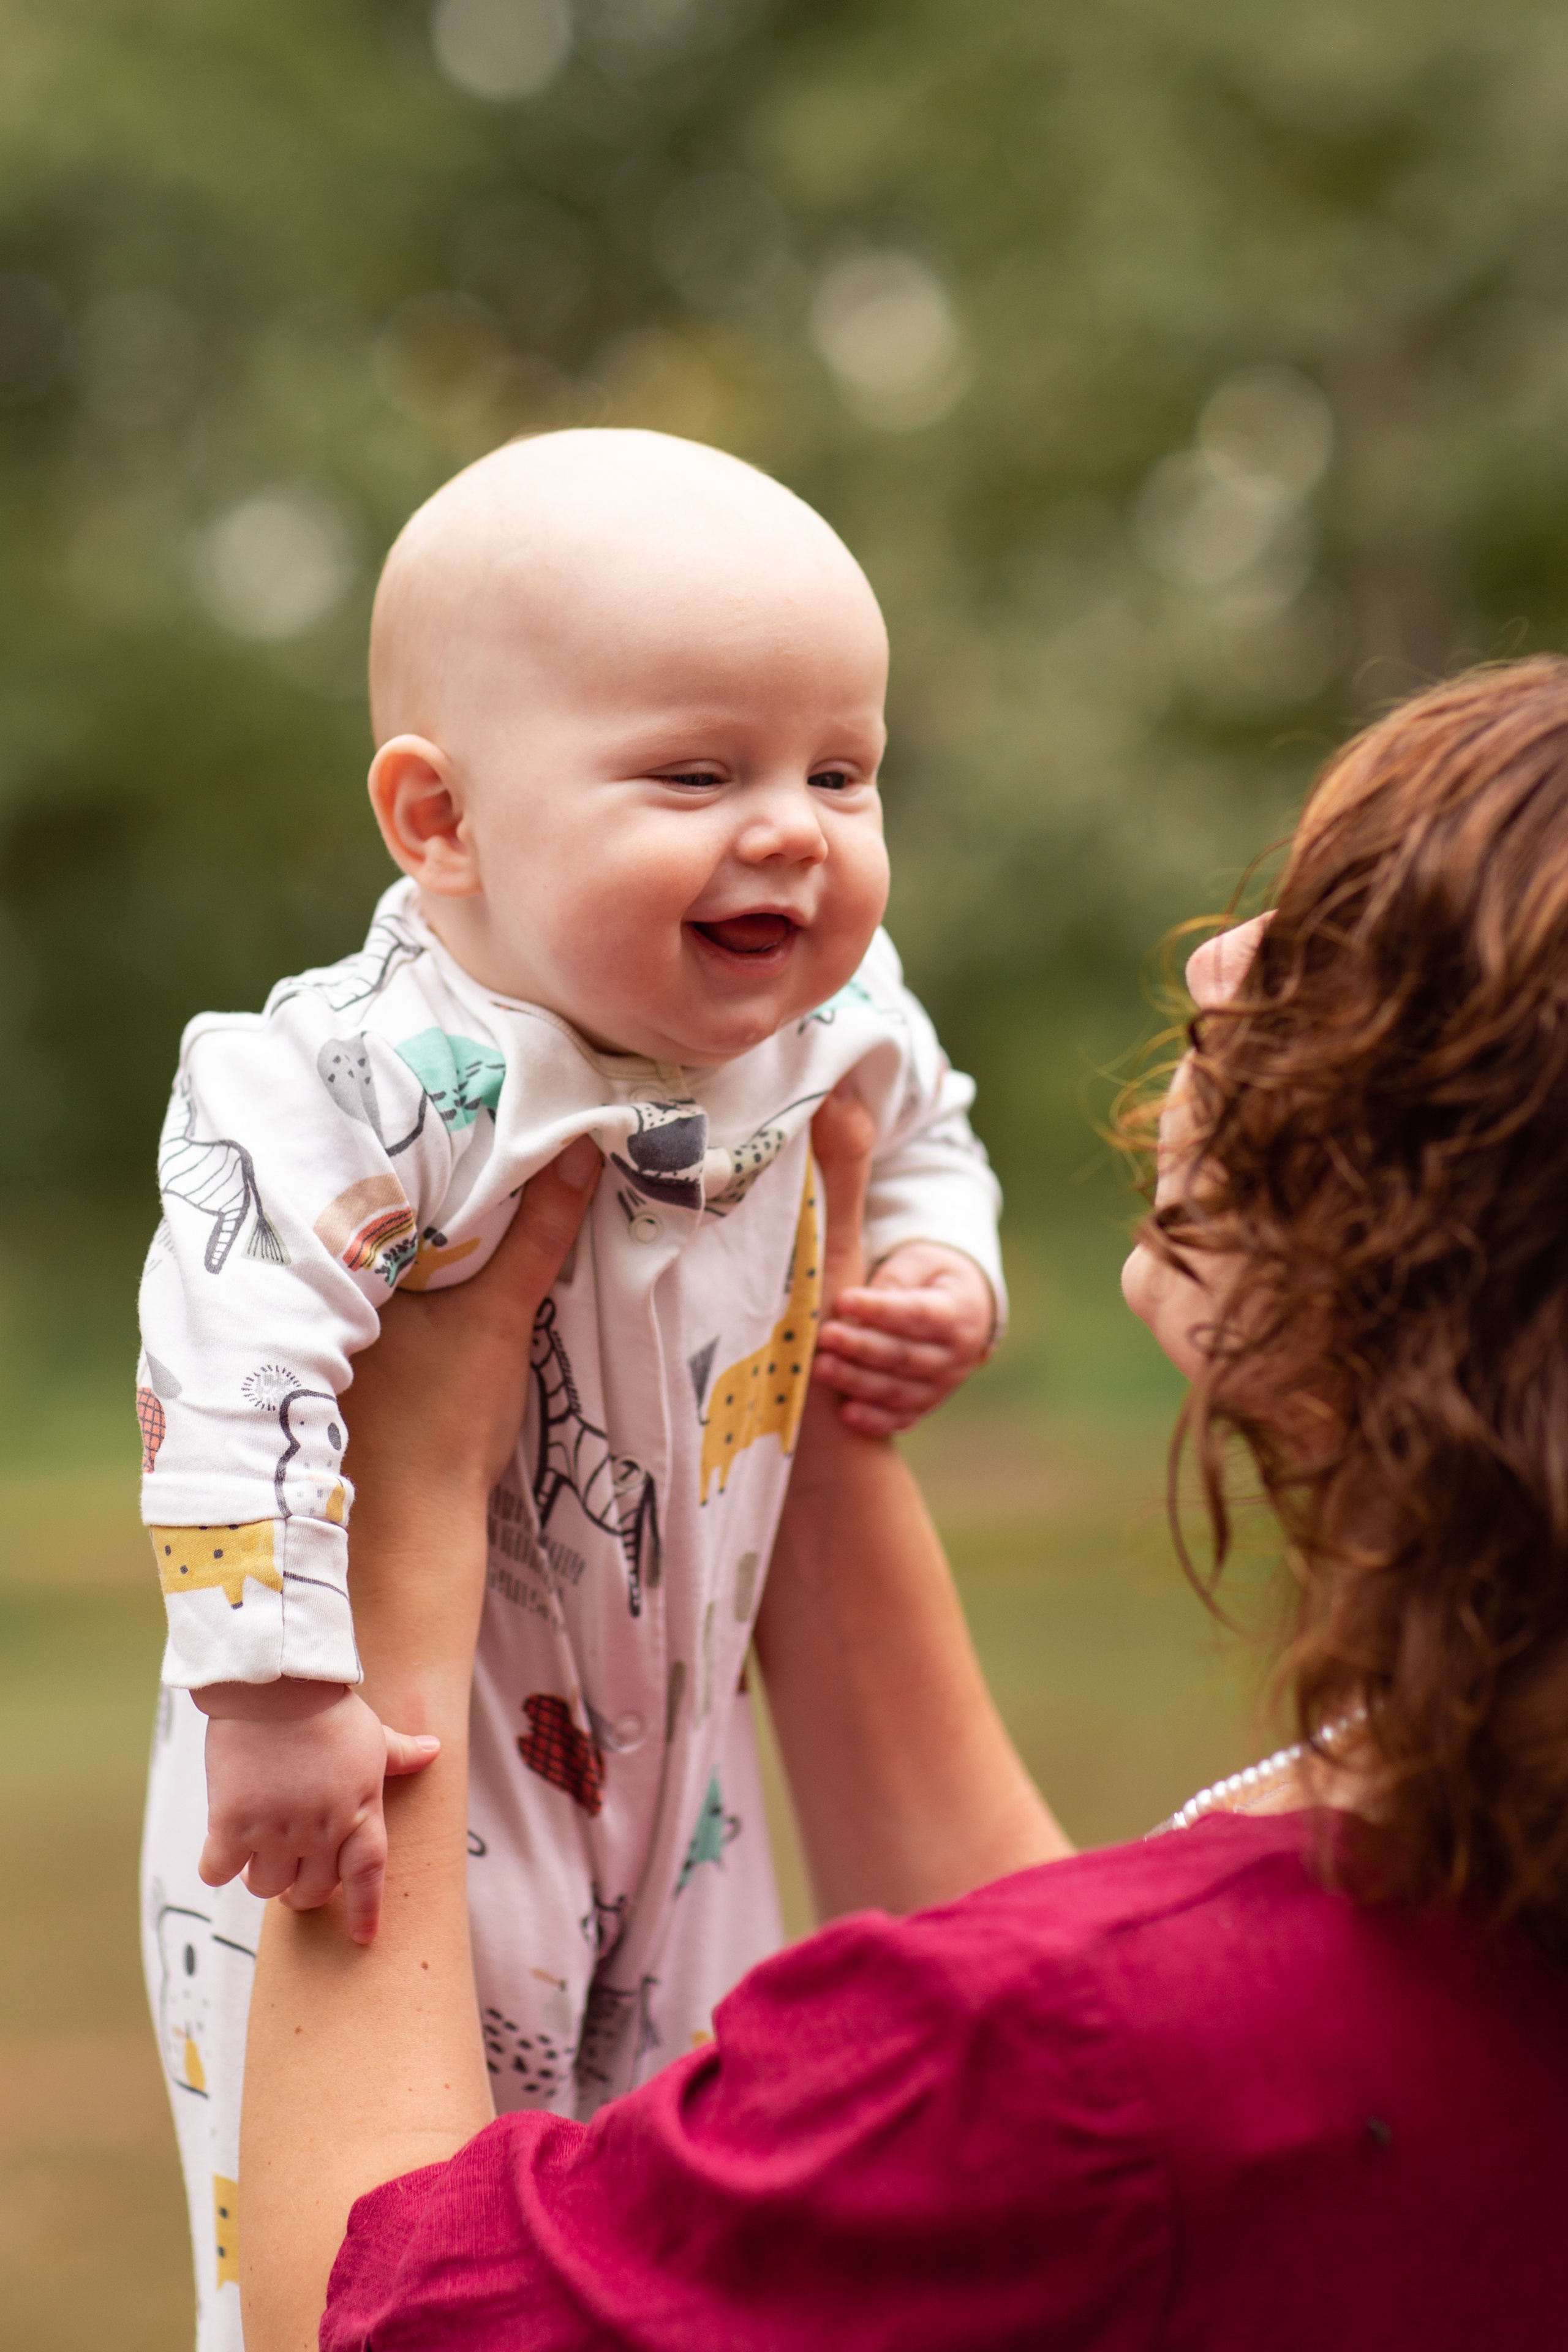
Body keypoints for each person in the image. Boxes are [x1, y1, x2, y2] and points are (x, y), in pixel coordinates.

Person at [243, 657, 1568, 2350]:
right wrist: (771, 1362)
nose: (1220, 965)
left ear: (1462, 1212)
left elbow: (376, 2317)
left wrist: (397, 1524)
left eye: (1327, 955)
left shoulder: (1097, 2068)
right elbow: (1082, 2041)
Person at [138, 428, 1009, 2345]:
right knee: (380, 2176)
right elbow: (225, 1380)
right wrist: (277, 1689)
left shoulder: (829, 1019)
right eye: (698, 772)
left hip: (687, 1726)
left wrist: (943, 1273)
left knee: (687, 2135)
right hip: (393, 1738)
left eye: (842, 771)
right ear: (438, 821)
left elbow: (925, 1139)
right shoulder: (348, 1080)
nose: (791, 827)